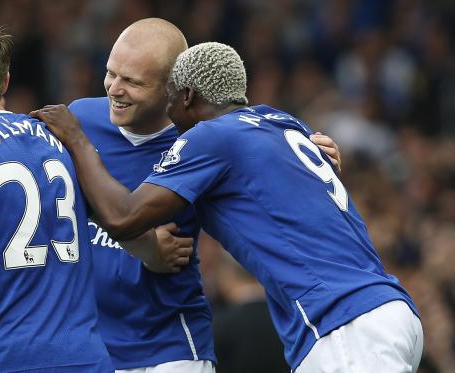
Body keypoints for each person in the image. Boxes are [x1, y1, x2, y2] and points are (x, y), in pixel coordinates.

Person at [33, 42, 423, 372]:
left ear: (186, 96)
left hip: (343, 322)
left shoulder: (211, 136)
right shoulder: (282, 122)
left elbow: (123, 217)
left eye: (170, 97)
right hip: (390, 310)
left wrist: (77, 140)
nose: (168, 114)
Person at [64, 18, 341, 372]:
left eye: (132, 81)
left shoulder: (205, 142)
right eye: (111, 72)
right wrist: (145, 245)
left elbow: (282, 184)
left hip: (168, 347)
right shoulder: (79, 118)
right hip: (87, 345)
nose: (114, 89)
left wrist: (315, 158)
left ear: (172, 88)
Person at [0, 17, 186, 372]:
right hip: (87, 358)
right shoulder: (54, 137)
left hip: (5, 356)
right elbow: (111, 216)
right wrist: (153, 252)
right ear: (5, 82)